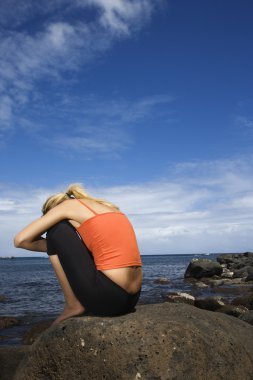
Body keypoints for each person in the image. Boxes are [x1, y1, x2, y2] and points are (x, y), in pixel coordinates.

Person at [14, 183, 142, 325]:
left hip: (109, 300)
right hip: (132, 299)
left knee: (56, 231)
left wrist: (56, 245)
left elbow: (20, 240)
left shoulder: (66, 206)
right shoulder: (110, 209)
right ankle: (76, 304)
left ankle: (73, 305)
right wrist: (62, 250)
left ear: (52, 210)